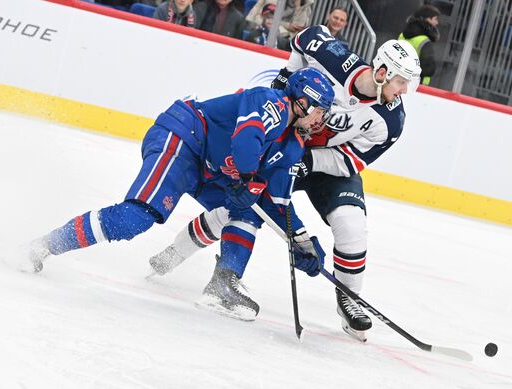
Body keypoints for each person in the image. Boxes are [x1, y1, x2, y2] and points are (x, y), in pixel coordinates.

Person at [148, 26, 421, 340]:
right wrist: (286, 76)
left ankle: (349, 298)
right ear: (382, 72)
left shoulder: (391, 121)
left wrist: (305, 163)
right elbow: (306, 36)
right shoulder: (335, 58)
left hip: (328, 165)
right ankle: (174, 253)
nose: (403, 92)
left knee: (352, 225)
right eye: (401, 82)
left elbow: (350, 161)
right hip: (286, 144)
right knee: (240, 207)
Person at [28, 68, 335, 320]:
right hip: (184, 139)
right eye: (319, 110)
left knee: (248, 212)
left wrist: (302, 244)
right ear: (303, 102)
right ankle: (44, 244)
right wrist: (246, 177)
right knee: (135, 218)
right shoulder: (272, 103)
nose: (321, 120)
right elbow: (247, 139)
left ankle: (222, 283)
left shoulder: (293, 146)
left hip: (211, 171)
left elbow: (278, 204)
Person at [398, 4, 440, 86]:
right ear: (427, 18)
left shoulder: (402, 35)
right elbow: (428, 69)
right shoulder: (424, 41)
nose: (437, 22)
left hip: (396, 78)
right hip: (416, 84)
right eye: (435, 19)